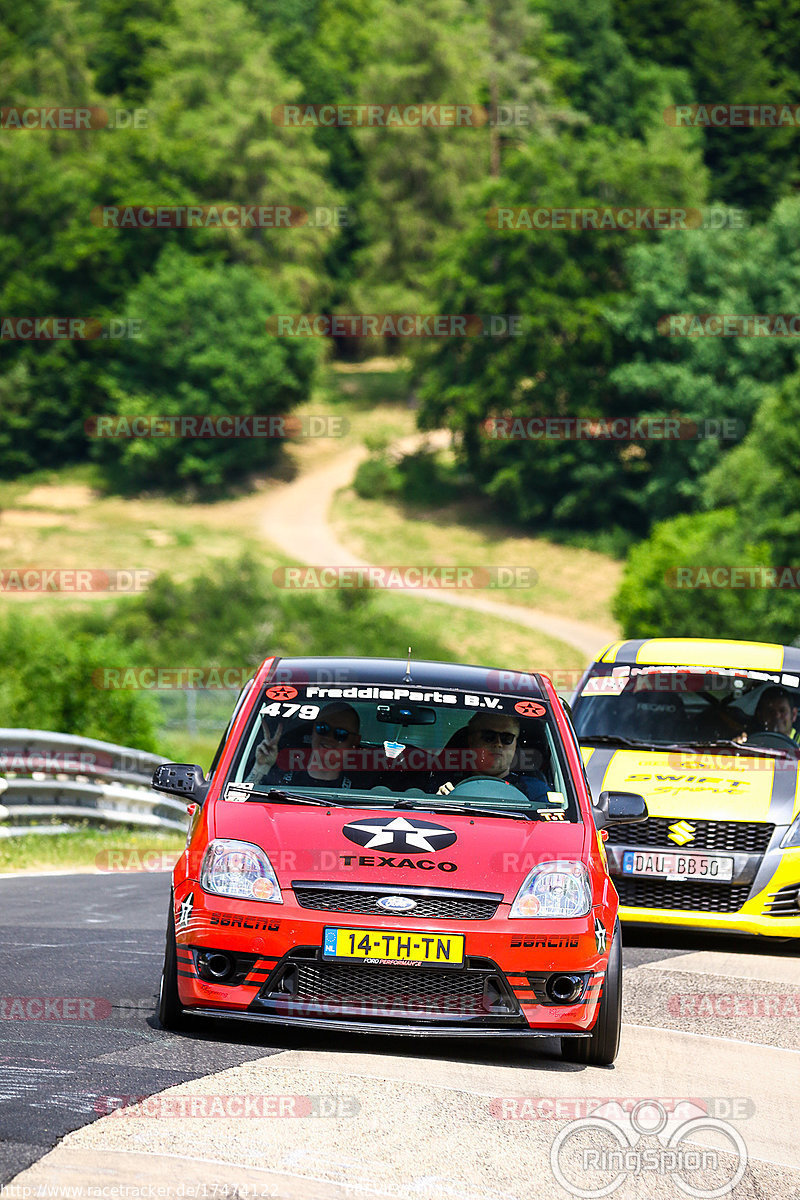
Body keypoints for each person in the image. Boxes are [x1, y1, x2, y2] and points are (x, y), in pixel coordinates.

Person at [436, 712, 550, 803]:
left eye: (507, 738)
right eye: (489, 737)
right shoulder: (447, 785)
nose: (498, 744)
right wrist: (438, 802)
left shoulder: (536, 792)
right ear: (471, 741)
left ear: (515, 744)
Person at [246, 702, 361, 789]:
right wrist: (261, 766)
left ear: (355, 741)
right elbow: (241, 801)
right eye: (322, 728)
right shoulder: (278, 778)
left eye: (340, 734)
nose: (329, 737)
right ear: (312, 730)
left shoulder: (363, 789)